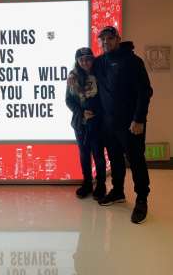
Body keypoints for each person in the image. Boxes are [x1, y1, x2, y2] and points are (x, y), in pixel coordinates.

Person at [93, 26, 153, 224]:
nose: (105, 43)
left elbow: (145, 92)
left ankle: (142, 198)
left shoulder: (133, 61)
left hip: (130, 124)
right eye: (102, 40)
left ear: (118, 39)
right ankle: (118, 191)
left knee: (136, 161)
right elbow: (83, 68)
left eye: (109, 39)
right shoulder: (100, 62)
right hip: (109, 124)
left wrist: (139, 119)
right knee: (115, 159)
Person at [66, 47, 106, 200]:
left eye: (88, 58)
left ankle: (101, 184)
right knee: (84, 154)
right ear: (77, 61)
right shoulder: (73, 77)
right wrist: (81, 112)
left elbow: (106, 97)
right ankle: (87, 184)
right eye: (81, 59)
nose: (85, 62)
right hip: (80, 123)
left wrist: (96, 112)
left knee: (98, 154)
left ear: (93, 59)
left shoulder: (100, 74)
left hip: (98, 122)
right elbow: (68, 100)